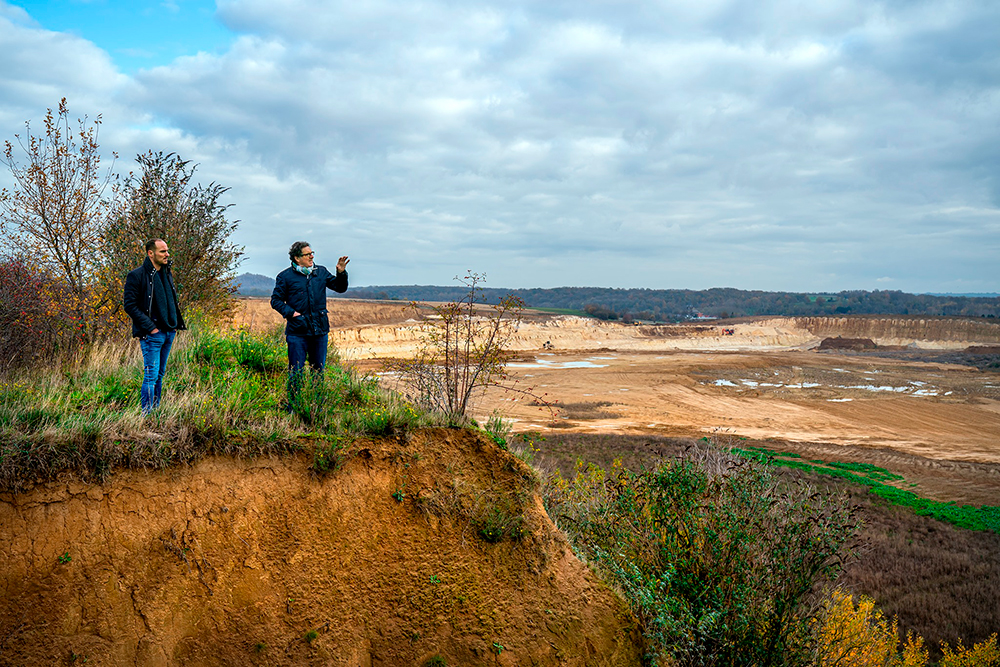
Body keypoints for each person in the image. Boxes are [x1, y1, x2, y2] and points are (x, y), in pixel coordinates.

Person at [270, 241, 349, 405]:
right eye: (308, 254)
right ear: (297, 258)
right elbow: (276, 301)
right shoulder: (285, 277)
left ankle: (316, 407)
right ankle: (294, 407)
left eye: (312, 253)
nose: (312, 256)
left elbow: (340, 288)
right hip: (297, 332)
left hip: (319, 331)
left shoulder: (320, 272)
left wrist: (341, 273)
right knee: (296, 373)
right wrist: (292, 313)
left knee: (318, 372)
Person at [123, 238, 186, 415]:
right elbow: (130, 305)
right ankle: (147, 415)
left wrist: (173, 326)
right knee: (150, 376)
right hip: (152, 334)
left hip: (168, 332)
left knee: (159, 375)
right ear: (151, 253)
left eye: (167, 251)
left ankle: (156, 413)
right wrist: (151, 328)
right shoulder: (136, 275)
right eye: (162, 251)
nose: (167, 254)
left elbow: (171, 301)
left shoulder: (166, 273)